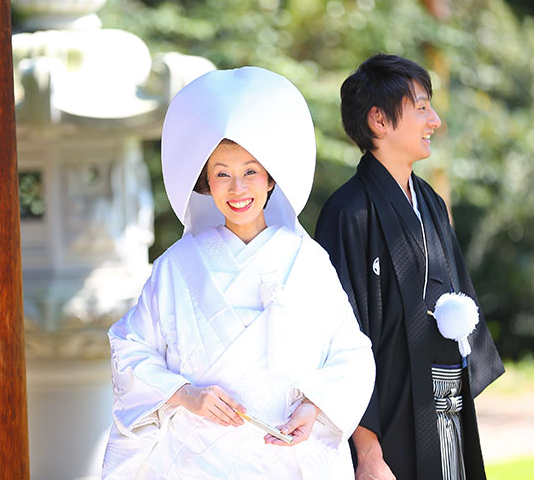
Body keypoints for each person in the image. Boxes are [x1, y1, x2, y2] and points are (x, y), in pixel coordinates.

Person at [102, 66, 376, 479]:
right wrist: (185, 394)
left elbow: (350, 354)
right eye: (222, 174)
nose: (237, 188)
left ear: (269, 179)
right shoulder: (177, 266)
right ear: (205, 183)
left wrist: (314, 405)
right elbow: (129, 347)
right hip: (199, 459)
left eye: (250, 172)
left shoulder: (308, 260)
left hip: (287, 453)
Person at [315, 54, 505, 480]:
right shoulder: (348, 213)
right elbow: (338, 338)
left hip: (445, 406)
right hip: (389, 422)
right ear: (379, 121)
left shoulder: (432, 204)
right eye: (421, 107)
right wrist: (367, 452)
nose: (434, 120)